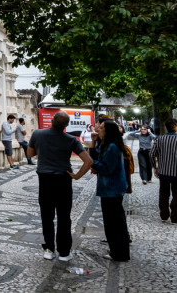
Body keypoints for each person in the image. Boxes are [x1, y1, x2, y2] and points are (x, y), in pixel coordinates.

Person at [27, 111, 93, 262]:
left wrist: (44, 149)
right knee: (64, 217)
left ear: (52, 121)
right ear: (66, 125)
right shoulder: (71, 140)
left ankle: (49, 249)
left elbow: (30, 153)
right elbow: (89, 161)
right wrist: (76, 176)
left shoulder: (38, 134)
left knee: (47, 216)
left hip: (45, 179)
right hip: (64, 180)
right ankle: (64, 252)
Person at [91, 121, 131, 261]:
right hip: (109, 188)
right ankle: (117, 249)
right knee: (113, 221)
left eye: (101, 128)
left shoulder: (113, 147)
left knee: (114, 222)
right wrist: (93, 143)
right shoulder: (107, 145)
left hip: (112, 189)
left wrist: (92, 163)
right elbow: (97, 156)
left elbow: (107, 168)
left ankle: (119, 253)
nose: (98, 130)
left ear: (108, 131)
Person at [150, 119, 177, 223]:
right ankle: (175, 218)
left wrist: (155, 167)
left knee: (163, 194)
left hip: (163, 172)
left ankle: (164, 216)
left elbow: (151, 154)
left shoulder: (159, 140)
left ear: (166, 127)